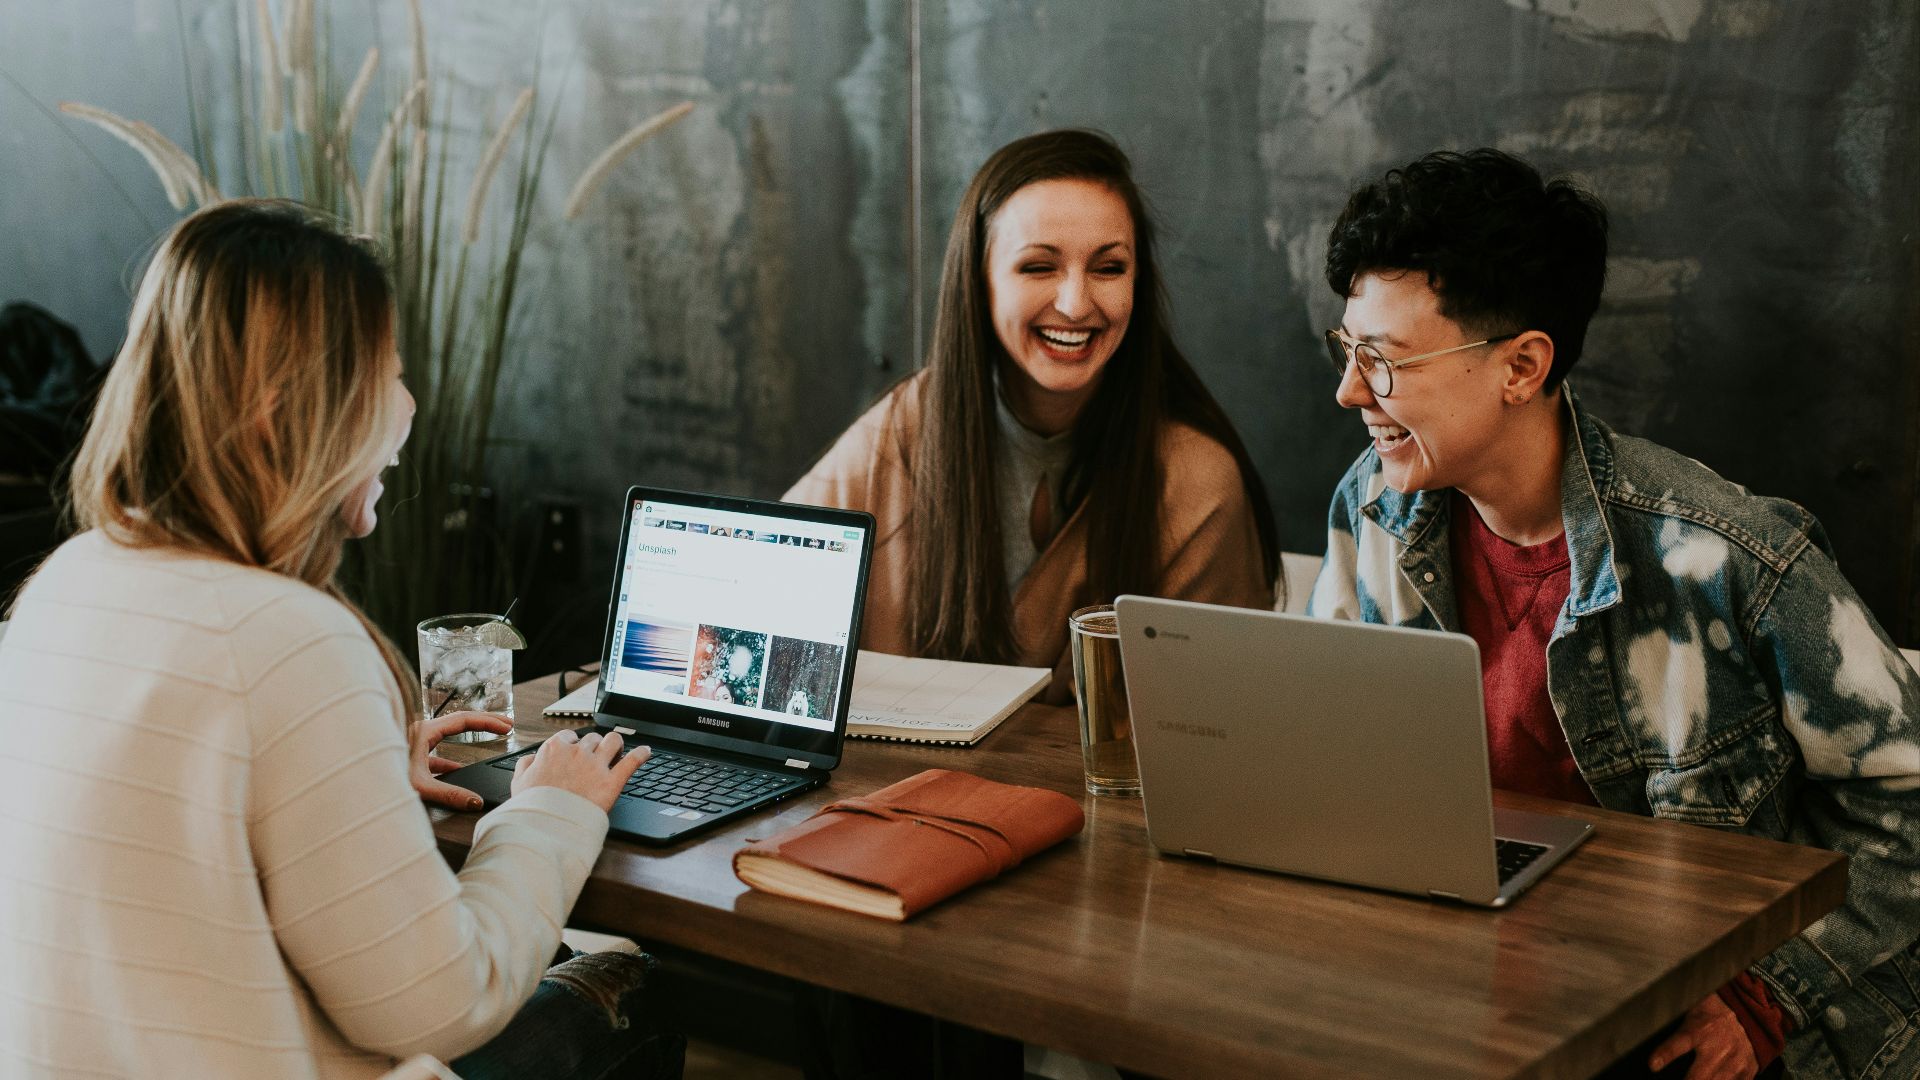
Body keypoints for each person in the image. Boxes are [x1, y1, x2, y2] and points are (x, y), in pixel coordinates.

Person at [0, 200, 683, 1079]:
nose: (406, 405)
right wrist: (551, 811)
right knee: (632, 986)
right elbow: (444, 1003)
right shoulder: (286, 639)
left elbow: (163, 857)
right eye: (385, 374)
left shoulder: (62, 587)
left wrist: (357, 782)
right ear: (285, 412)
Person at [1307, 148, 1920, 1080]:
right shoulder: (1374, 506)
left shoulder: (1726, 558)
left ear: (1522, 366)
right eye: (1347, 350)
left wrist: (1766, 1000)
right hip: (1475, 989)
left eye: (1383, 361)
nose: (1351, 391)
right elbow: (1339, 765)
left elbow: (1907, 804)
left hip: (1687, 1016)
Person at [787, 129, 1279, 703]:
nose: (1075, 304)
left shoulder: (1197, 482)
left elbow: (1218, 727)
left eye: (1109, 268)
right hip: (891, 792)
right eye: (1038, 267)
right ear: (980, 281)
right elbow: (760, 593)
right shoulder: (901, 432)